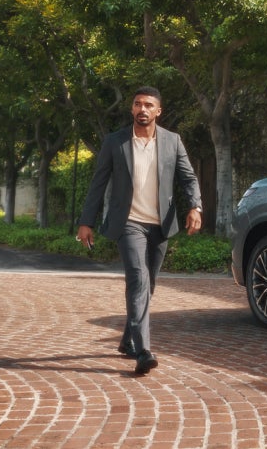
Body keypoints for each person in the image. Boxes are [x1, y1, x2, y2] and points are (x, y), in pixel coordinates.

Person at [77, 86, 203, 375]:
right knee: (138, 279)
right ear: (132, 109)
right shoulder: (115, 142)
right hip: (128, 222)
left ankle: (126, 340)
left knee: (150, 284)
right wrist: (87, 222)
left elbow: (189, 178)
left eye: (148, 105)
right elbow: (98, 183)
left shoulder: (172, 141)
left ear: (158, 111)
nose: (142, 109)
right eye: (137, 104)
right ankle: (143, 350)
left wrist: (195, 207)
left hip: (160, 224)